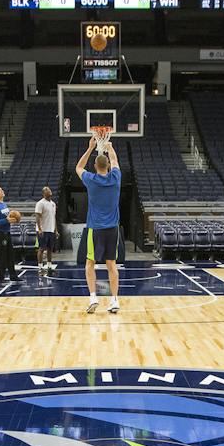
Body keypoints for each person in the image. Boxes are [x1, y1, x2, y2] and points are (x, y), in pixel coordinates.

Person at [73, 134, 123, 314]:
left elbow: (78, 167)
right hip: (113, 229)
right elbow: (116, 161)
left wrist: (89, 148)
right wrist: (109, 148)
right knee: (112, 265)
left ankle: (93, 297)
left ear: (95, 167)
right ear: (108, 166)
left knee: (90, 264)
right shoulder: (116, 177)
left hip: (95, 229)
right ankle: (115, 300)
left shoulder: (90, 180)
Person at [34, 186, 57, 273]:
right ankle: (40, 267)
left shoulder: (53, 204)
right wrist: (39, 229)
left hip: (51, 229)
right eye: (47, 190)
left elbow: (54, 217)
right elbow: (37, 216)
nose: (49, 191)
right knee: (41, 248)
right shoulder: (40, 203)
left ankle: (49, 266)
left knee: (50, 249)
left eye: (49, 189)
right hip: (43, 230)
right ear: (44, 193)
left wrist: (56, 230)